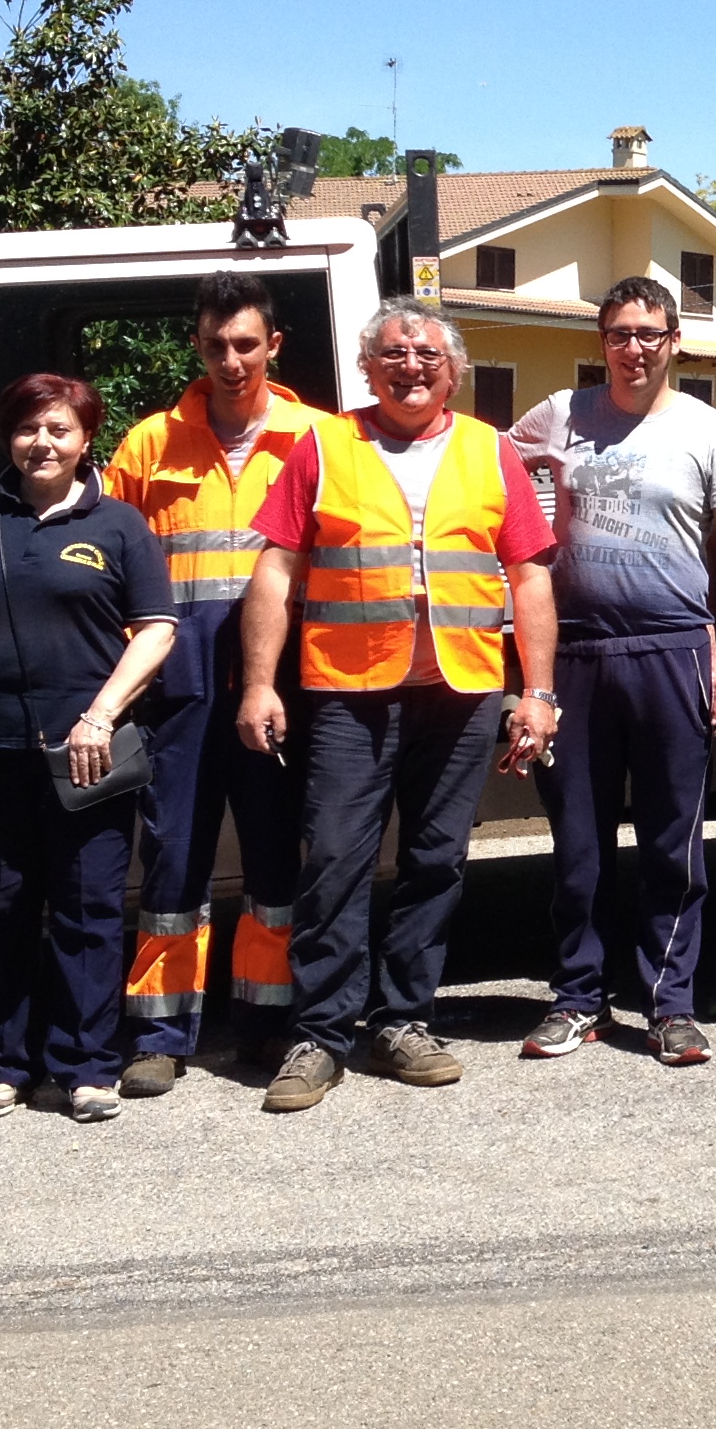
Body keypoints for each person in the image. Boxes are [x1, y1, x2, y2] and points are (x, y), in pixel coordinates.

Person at [236, 301, 561, 1113]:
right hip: (349, 695)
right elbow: (276, 569)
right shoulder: (325, 444)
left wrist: (538, 693)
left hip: (460, 694)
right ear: (367, 368)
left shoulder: (489, 449)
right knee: (335, 861)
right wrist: (259, 681)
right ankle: (321, 1034)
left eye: (426, 355)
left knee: (436, 863)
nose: (410, 366)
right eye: (392, 354)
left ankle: (403, 1021)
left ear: (453, 371)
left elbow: (529, 576)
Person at [506, 275, 716, 1067]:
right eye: (620, 333)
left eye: (650, 334)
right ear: (602, 341)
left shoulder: (708, 429)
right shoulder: (561, 414)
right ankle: (578, 997)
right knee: (578, 843)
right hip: (576, 652)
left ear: (674, 342)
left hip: (673, 647)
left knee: (671, 844)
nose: (634, 348)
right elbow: (489, 476)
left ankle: (668, 1005)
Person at [104, 269, 326, 1092]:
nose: (230, 361)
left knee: (274, 856)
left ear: (274, 344)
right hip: (179, 686)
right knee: (173, 859)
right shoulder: (148, 444)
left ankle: (267, 1024)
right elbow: (109, 564)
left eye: (245, 344)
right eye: (214, 346)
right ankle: (159, 1035)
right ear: (196, 347)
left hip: (280, 682)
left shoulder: (318, 438)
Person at [0, 372, 176, 1122]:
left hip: (89, 754)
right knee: (2, 911)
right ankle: (2, 1066)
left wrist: (100, 716)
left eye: (59, 429)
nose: (41, 443)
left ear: (85, 439)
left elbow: (157, 629)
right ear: (7, 437)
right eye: (27, 428)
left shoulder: (119, 525)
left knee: (87, 911)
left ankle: (86, 1067)